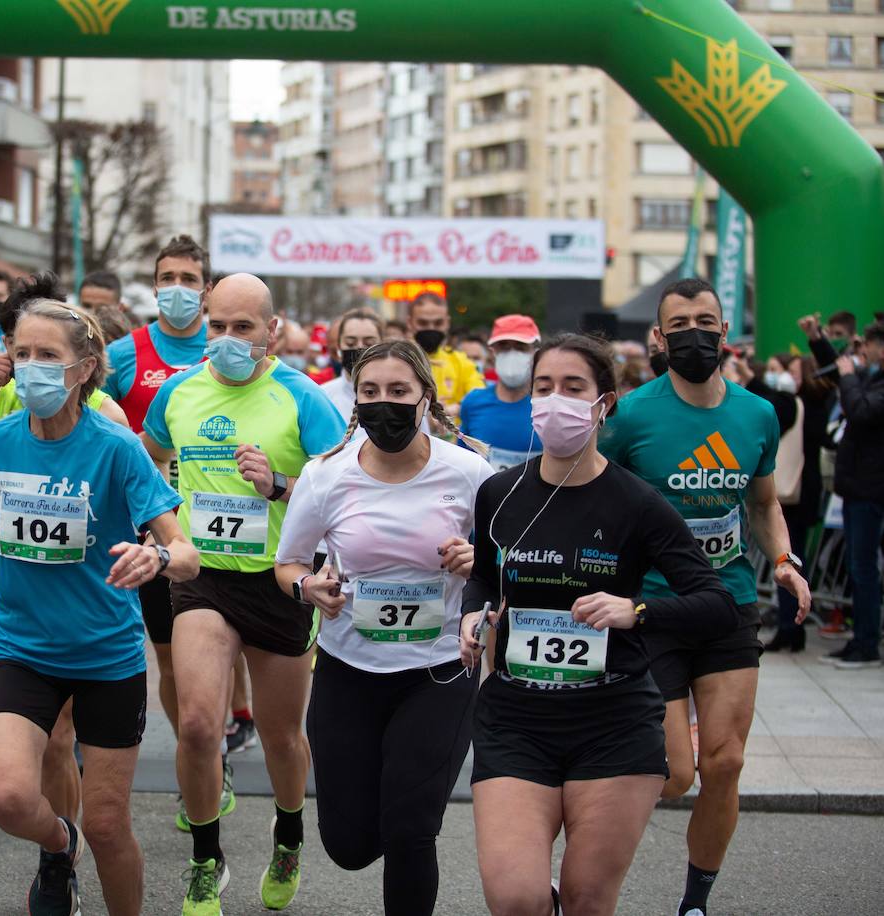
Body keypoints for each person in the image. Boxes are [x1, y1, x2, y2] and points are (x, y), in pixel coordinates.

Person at [0, 297, 199, 916]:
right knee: (9, 800)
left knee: (108, 825)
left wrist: (157, 556)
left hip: (106, 657)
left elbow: (187, 554)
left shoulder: (117, 447)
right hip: (23, 650)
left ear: (84, 368)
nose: (31, 367)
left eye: (48, 355)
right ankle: (57, 844)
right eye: (22, 354)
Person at [460, 332, 739, 916]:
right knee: (515, 900)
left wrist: (636, 611)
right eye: (543, 387)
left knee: (588, 899)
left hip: (613, 721)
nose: (554, 400)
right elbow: (485, 576)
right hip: (516, 717)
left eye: (572, 387)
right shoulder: (499, 493)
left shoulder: (637, 502)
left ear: (604, 403)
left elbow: (715, 602)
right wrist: (473, 615)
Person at [600, 277, 812, 916]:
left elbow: (764, 504)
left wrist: (784, 561)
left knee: (726, 762)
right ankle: (584, 835)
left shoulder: (757, 414)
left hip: (728, 602)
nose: (694, 334)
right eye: (680, 325)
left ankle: (694, 902)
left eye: (705, 322)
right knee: (675, 773)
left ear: (725, 331)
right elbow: (595, 493)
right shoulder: (631, 415)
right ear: (659, 338)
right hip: (653, 607)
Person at [142, 273, 345, 915]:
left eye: (243, 327)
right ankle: (206, 861)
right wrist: (162, 525)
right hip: (201, 579)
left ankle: (288, 836)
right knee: (199, 724)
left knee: (283, 737)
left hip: (280, 581)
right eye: (217, 326)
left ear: (271, 331)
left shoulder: (302, 397)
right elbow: (147, 461)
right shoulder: (178, 391)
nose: (227, 338)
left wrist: (280, 484)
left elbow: (346, 492)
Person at [276, 340, 490, 915]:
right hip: (348, 670)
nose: (384, 403)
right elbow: (288, 563)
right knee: (348, 845)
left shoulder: (469, 471)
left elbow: (503, 561)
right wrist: (307, 587)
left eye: (398, 391)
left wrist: (477, 561)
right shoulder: (325, 475)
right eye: (370, 391)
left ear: (426, 397)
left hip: (439, 671)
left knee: (410, 828)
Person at [101, 235, 212, 754]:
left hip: (220, 524)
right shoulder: (123, 355)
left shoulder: (228, 349)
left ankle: (217, 738)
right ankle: (200, 752)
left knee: (221, 652)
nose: (177, 288)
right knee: (170, 658)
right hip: (149, 528)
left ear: (206, 289)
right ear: (154, 286)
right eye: (168, 278)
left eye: (188, 279)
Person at [762, 353, 830, 653]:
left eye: (791, 372)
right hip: (798, 492)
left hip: (799, 494)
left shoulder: (803, 405)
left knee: (790, 559)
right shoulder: (798, 404)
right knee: (788, 559)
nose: (786, 378)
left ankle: (792, 625)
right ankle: (790, 626)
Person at [827, 321, 884, 668]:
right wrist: (819, 341)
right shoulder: (871, 378)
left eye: (869, 346)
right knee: (857, 566)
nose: (864, 353)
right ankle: (860, 638)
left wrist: (848, 376)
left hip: (870, 488)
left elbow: (860, 411)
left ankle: (867, 643)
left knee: (863, 568)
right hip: (858, 487)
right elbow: (836, 373)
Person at [460, 315, 541, 472]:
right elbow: (462, 460)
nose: (512, 353)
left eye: (520, 347)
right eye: (504, 346)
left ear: (535, 353)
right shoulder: (473, 402)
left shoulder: (547, 406)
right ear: (493, 352)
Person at [407, 291, 483, 415]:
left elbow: (478, 394)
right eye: (423, 323)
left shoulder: (461, 361)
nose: (431, 328)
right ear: (410, 322)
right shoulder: (397, 360)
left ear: (447, 322)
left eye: (438, 323)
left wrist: (457, 407)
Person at [319, 308, 384, 422]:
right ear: (339, 347)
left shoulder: (397, 396)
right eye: (350, 343)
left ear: (382, 346)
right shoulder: (323, 397)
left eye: (369, 343)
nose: (359, 348)